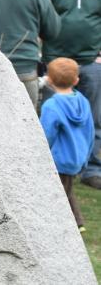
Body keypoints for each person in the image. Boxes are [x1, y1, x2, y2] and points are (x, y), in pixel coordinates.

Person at [38, 0, 101, 189]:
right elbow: (38, 14)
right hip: (55, 63)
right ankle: (46, 166)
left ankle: (91, 169)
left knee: (93, 119)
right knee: (51, 117)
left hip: (89, 63)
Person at [40, 57, 94, 231]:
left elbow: (46, 135)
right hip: (77, 155)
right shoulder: (83, 102)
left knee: (58, 193)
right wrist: (86, 155)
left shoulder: (51, 106)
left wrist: (40, 155)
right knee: (66, 189)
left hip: (59, 159)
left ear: (48, 79)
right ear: (76, 80)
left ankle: (67, 224)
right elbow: (90, 131)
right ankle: (76, 223)